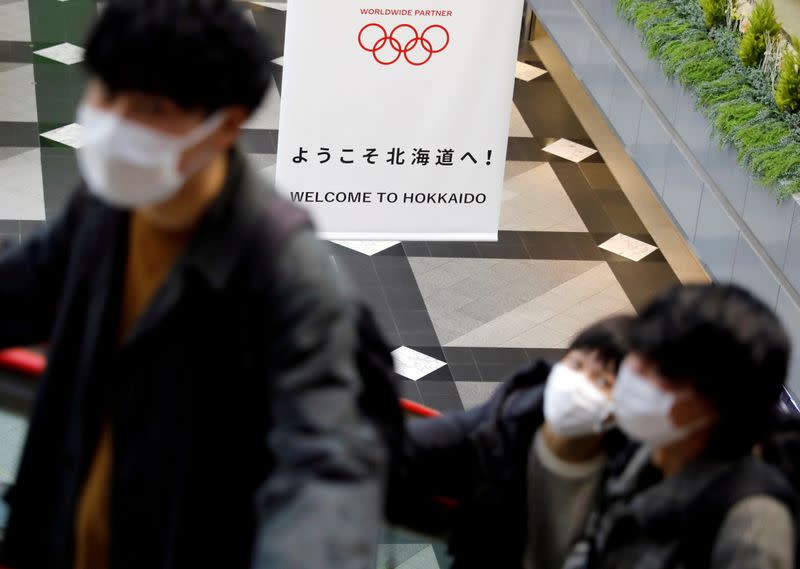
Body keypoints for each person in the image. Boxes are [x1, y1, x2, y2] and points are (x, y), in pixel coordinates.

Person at [0, 1, 387, 568]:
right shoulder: (109, 205)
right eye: (107, 93)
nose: (114, 121)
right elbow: (22, 290)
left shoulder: (282, 271)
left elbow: (325, 462)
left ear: (225, 123)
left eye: (151, 108)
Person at [563, 284, 798, 569]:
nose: (632, 371)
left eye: (661, 371)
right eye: (639, 353)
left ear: (715, 402)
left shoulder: (753, 524)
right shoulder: (647, 446)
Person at [387, 316, 634, 569]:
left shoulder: (637, 472)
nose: (580, 385)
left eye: (603, 381)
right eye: (576, 364)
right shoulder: (496, 431)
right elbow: (392, 451)